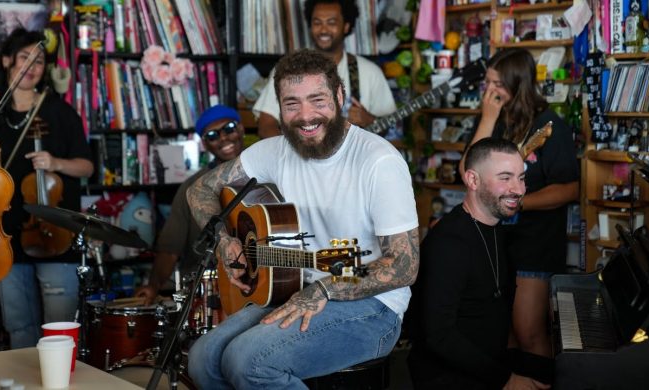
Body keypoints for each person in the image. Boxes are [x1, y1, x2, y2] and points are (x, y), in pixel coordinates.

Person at [185, 48, 419, 389]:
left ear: (339, 95)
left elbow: (404, 265)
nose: (306, 116)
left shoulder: (379, 161)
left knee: (247, 362)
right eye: (292, 103)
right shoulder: (275, 151)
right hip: (297, 287)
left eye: (317, 100)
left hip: (373, 308)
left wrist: (325, 287)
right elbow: (199, 190)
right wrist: (224, 241)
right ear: (278, 106)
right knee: (202, 359)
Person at [460, 48, 579, 382]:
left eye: (498, 83)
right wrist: (486, 118)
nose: (490, 91)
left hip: (535, 244)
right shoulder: (492, 116)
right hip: (496, 244)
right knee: (503, 334)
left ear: (518, 83)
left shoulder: (549, 123)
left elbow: (569, 189)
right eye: (488, 82)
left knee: (529, 332)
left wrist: (518, 202)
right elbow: (467, 172)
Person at [408, 138, 551, 389]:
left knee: (568, 372)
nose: (518, 189)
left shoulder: (496, 229)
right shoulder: (450, 243)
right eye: (505, 178)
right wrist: (507, 381)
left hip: (485, 362)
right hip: (445, 375)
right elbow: (438, 335)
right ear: (473, 180)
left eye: (521, 177)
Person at [0, 28, 94, 349]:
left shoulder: (60, 112)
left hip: (56, 238)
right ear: (6, 60)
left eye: (39, 60)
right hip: (4, 237)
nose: (32, 66)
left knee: (60, 331)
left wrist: (56, 163)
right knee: (19, 327)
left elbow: (87, 167)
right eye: (24, 58)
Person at [135, 105, 245, 303]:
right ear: (204, 144)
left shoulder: (266, 173)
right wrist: (153, 285)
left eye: (229, 128)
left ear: (241, 129)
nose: (224, 138)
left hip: (258, 280)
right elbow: (169, 250)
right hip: (207, 290)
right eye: (213, 135)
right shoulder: (193, 187)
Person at [253, 0, 396, 138]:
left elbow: (388, 128)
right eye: (317, 22)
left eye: (331, 22)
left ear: (346, 26)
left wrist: (369, 119)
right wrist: (292, 157)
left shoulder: (369, 72)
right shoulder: (288, 70)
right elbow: (266, 125)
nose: (323, 29)